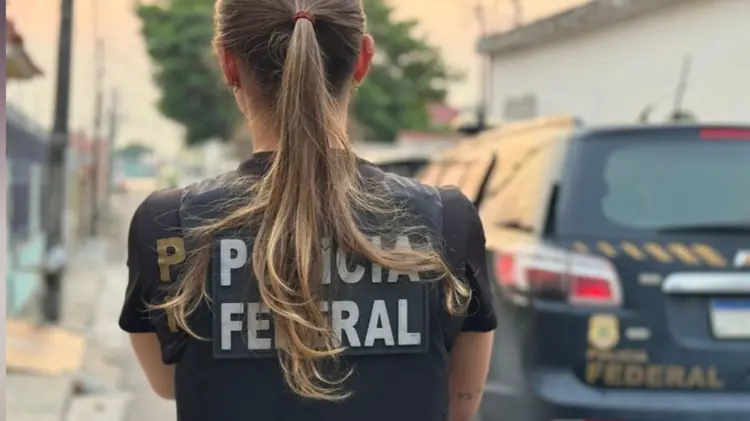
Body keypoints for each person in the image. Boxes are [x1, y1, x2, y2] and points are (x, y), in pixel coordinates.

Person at [118, 1, 496, 420]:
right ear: (363, 59)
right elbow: (461, 403)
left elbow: (169, 382)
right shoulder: (446, 219)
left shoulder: (167, 223)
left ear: (228, 63)